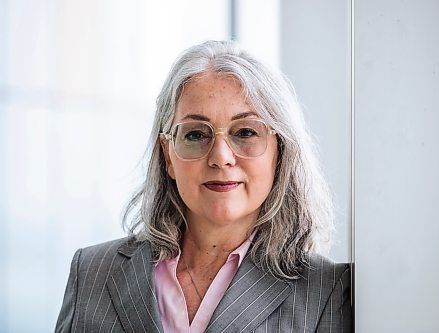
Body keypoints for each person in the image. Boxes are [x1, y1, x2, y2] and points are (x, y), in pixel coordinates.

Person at [56, 40, 352, 333]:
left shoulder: (325, 291)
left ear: (280, 152)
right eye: (196, 134)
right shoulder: (92, 271)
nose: (221, 158)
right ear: (167, 155)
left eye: (246, 132)